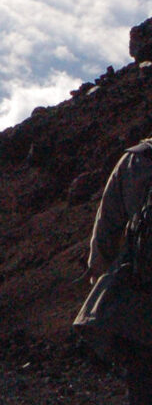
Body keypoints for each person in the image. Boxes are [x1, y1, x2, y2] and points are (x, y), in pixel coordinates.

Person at [74, 139, 152, 404]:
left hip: (138, 299)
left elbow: (106, 224)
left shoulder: (135, 160)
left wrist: (100, 277)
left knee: (142, 382)